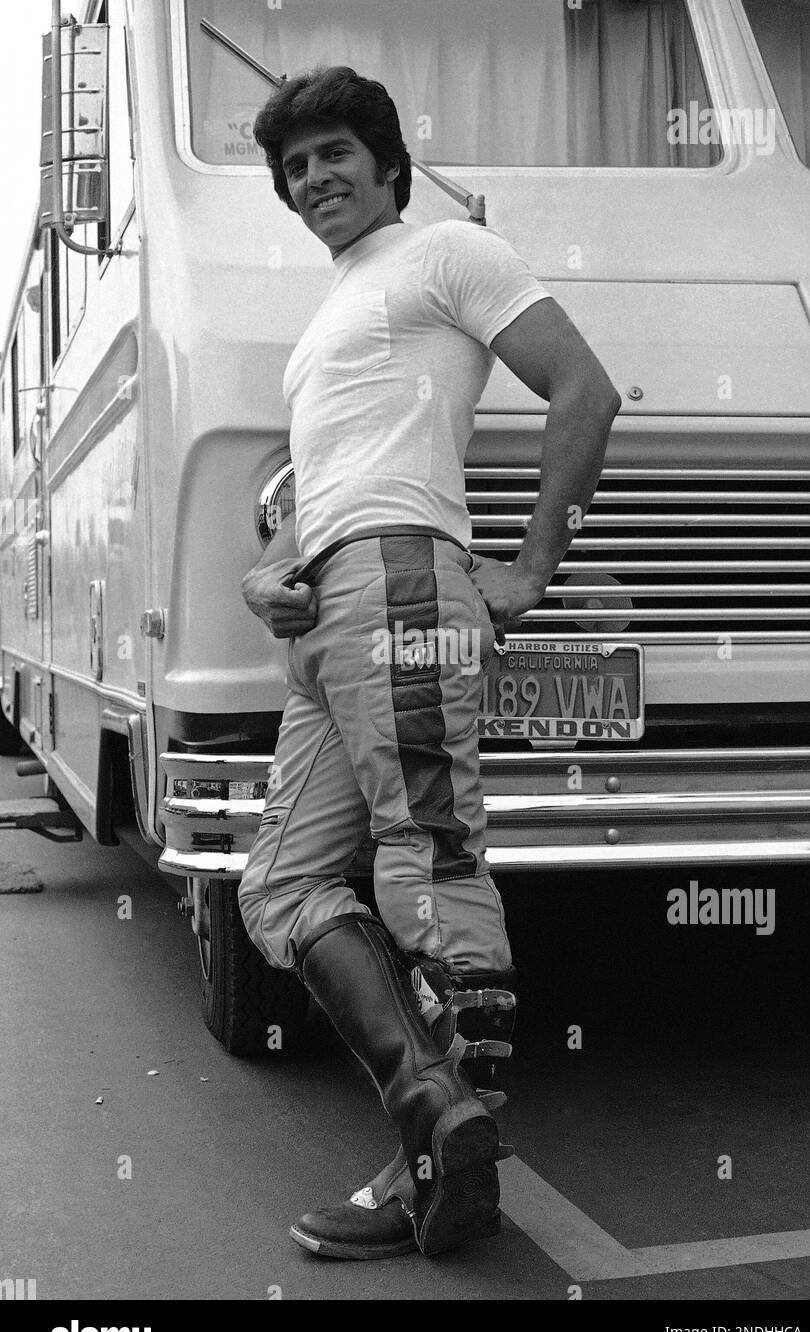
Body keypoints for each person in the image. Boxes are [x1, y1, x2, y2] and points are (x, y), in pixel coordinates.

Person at [238, 65, 621, 1260]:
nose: (315, 181)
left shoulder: (448, 252)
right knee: (279, 886)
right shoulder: (327, 325)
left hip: (405, 576)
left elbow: (584, 390)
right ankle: (434, 1118)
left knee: (429, 856)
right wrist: (269, 571)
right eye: (296, 169)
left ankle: (443, 1171)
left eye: (335, 155)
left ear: (387, 164)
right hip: (326, 614)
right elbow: (324, 481)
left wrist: (527, 570)